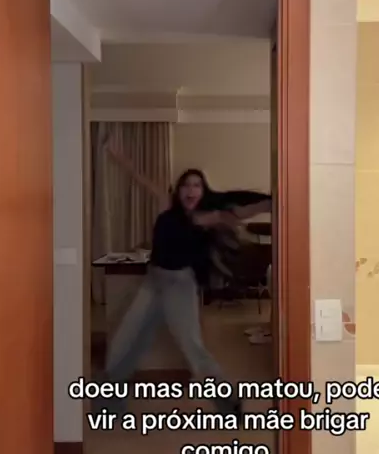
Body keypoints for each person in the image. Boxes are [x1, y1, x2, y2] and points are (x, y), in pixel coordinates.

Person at [97, 160, 271, 420]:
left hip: (179, 285)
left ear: (203, 191)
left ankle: (229, 402)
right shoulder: (169, 209)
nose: (191, 190)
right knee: (125, 338)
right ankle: (109, 403)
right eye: (186, 185)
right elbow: (143, 181)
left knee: (192, 348)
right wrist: (116, 155)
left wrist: (272, 201)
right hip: (152, 282)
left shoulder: (209, 216)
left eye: (197, 185)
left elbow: (245, 210)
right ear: (178, 191)